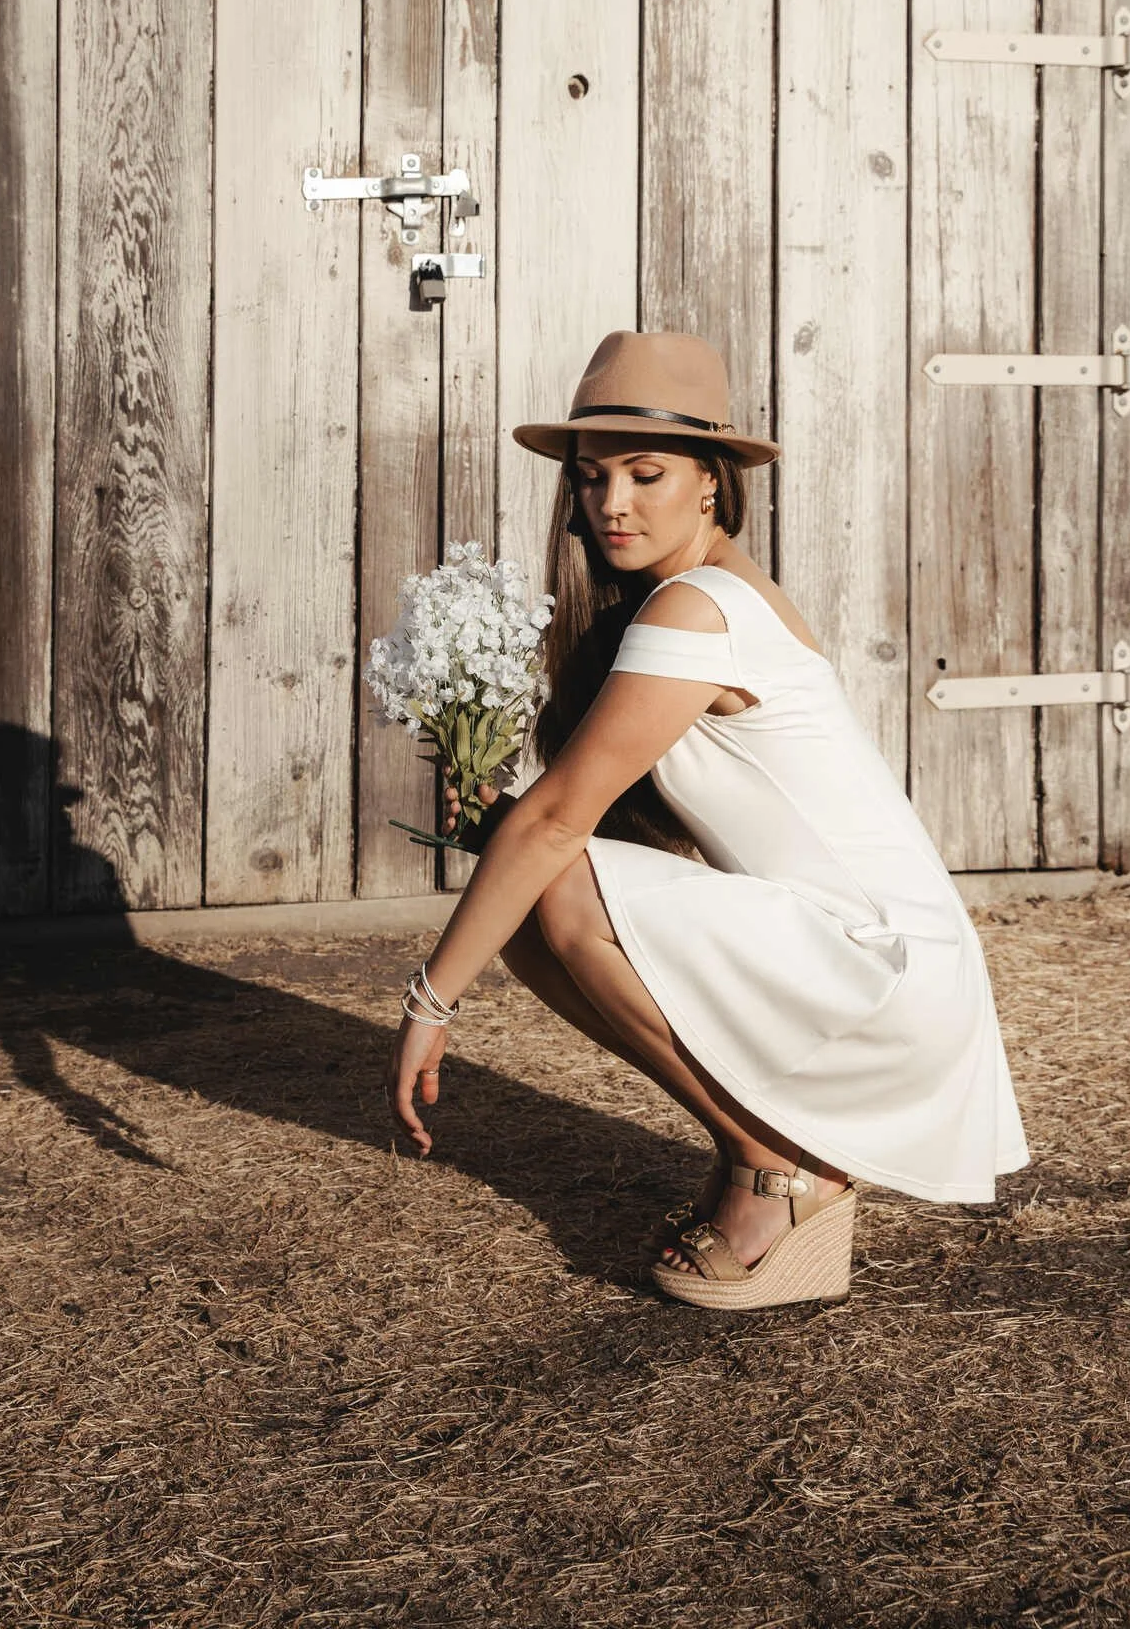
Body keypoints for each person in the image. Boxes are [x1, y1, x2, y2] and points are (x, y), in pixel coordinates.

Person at [388, 330, 1029, 1310]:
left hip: (886, 970)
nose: (612, 503)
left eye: (646, 474)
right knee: (522, 887)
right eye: (593, 477)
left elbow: (563, 826)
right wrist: (505, 818)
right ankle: (763, 1149)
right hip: (846, 949)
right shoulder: (679, 604)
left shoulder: (698, 610)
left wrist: (432, 1002)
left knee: (544, 869)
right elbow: (576, 824)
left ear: (712, 485)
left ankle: (778, 1165)